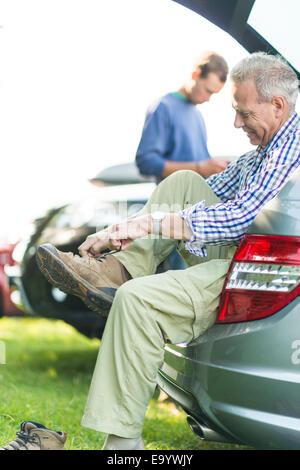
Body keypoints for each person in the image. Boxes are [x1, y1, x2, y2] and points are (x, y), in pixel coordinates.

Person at [4, 52, 299, 451]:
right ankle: (119, 270)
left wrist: (150, 223)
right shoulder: (265, 149)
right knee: (182, 183)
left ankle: (122, 448)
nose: (235, 123)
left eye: (243, 112)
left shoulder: (291, 143)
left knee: (137, 301)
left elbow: (238, 216)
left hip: (252, 265)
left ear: (277, 105)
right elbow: (214, 190)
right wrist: (122, 230)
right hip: (237, 248)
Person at [135, 51, 230, 184]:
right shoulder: (163, 107)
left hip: (198, 200)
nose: (208, 99)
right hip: (173, 202)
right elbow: (146, 162)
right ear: (195, 75)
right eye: (208, 91)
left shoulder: (197, 115)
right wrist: (199, 168)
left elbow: (202, 162)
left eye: (213, 94)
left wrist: (218, 167)